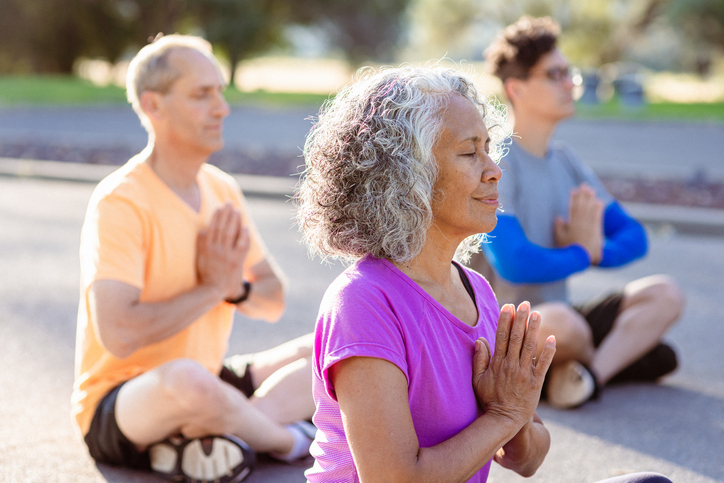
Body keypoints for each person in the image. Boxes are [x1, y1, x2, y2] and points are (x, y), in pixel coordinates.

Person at [295, 65, 671, 483]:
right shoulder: (363, 299)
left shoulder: (475, 291)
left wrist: (516, 411)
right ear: (406, 176)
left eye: (489, 148)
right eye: (470, 152)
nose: (494, 169)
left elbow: (526, 459)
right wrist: (504, 415)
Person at [71, 34, 316, 483]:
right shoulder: (120, 201)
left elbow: (272, 297)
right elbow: (119, 334)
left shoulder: (222, 189)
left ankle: (221, 434)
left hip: (210, 379)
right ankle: (286, 441)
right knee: (185, 380)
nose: (222, 108)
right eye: (202, 95)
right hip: (125, 403)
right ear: (153, 105)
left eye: (220, 92)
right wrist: (211, 290)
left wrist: (235, 289)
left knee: (328, 349)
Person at [469, 16, 684, 409]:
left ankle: (589, 377)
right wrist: (582, 253)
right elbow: (513, 262)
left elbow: (634, 236)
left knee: (665, 294)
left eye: (570, 73)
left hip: (561, 319)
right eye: (556, 74)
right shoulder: (496, 161)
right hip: (506, 329)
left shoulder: (566, 161)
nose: (570, 83)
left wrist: (595, 251)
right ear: (516, 87)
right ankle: (610, 362)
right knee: (566, 325)